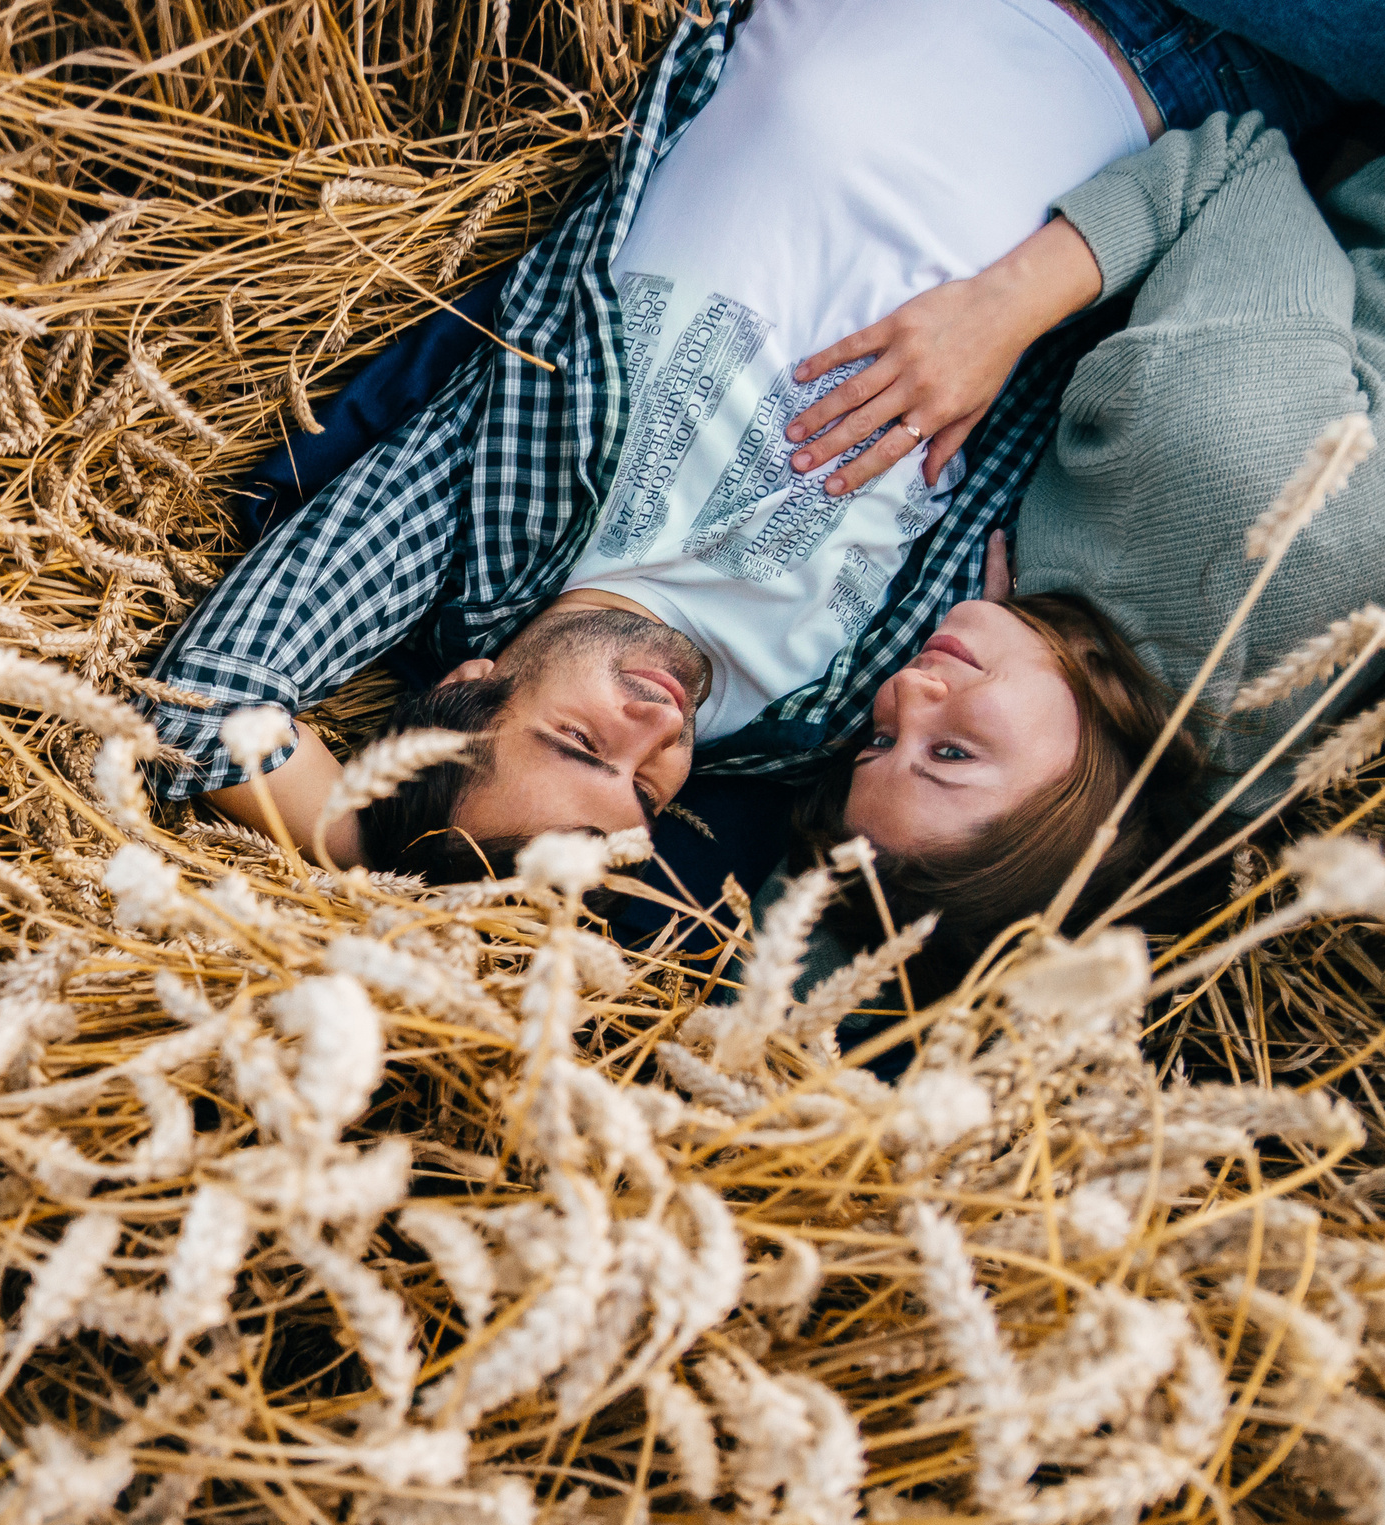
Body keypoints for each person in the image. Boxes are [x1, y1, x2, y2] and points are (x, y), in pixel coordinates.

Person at [142, 0, 1345, 883]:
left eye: (580, 743)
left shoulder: (478, 517)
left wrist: (384, 864)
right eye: (644, 793)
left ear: (468, 682)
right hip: (1193, 78)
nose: (653, 736)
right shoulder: (829, 711)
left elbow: (203, 702)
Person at [785, 109, 1385, 989]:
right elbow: (1238, 166)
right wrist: (999, 310)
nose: (906, 692)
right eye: (950, 753)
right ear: (1087, 822)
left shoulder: (1226, 784)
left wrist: (1042, 625)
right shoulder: (1200, 466)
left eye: (879, 738)